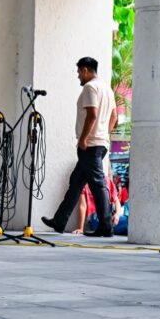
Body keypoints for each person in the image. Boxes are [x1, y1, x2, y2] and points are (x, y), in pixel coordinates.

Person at [42, 57, 117, 237]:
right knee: (76, 183)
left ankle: (106, 226)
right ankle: (59, 221)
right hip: (100, 142)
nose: (78, 77)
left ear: (85, 70)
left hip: (90, 144)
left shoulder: (90, 87)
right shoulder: (106, 88)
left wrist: (84, 138)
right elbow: (114, 116)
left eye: (78, 73)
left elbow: (92, 114)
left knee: (98, 184)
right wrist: (104, 133)